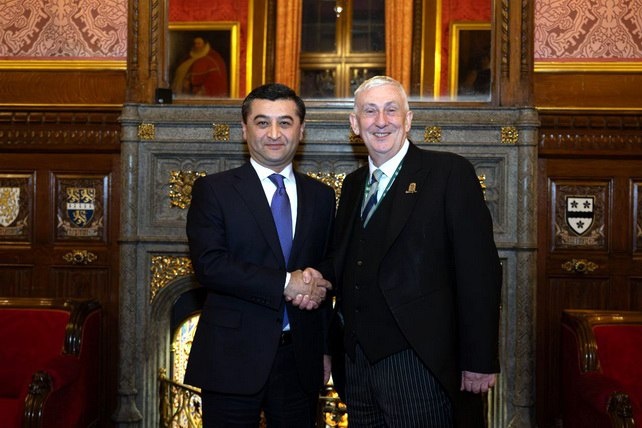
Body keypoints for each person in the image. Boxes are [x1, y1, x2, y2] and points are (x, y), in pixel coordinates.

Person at [327, 76, 502, 427]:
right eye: (370, 111)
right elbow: (345, 269)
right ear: (354, 124)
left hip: (420, 364)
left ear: (408, 120)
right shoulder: (354, 185)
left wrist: (479, 359)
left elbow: (479, 271)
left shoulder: (449, 173)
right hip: (358, 367)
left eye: (391, 110)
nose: (381, 121)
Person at [184, 83, 336, 427]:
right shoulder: (214, 190)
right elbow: (210, 265)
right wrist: (286, 283)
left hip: (300, 360)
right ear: (244, 129)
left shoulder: (321, 195)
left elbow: (328, 263)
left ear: (301, 130)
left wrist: (325, 348)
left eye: (285, 122)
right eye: (262, 122)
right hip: (231, 359)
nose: (274, 134)